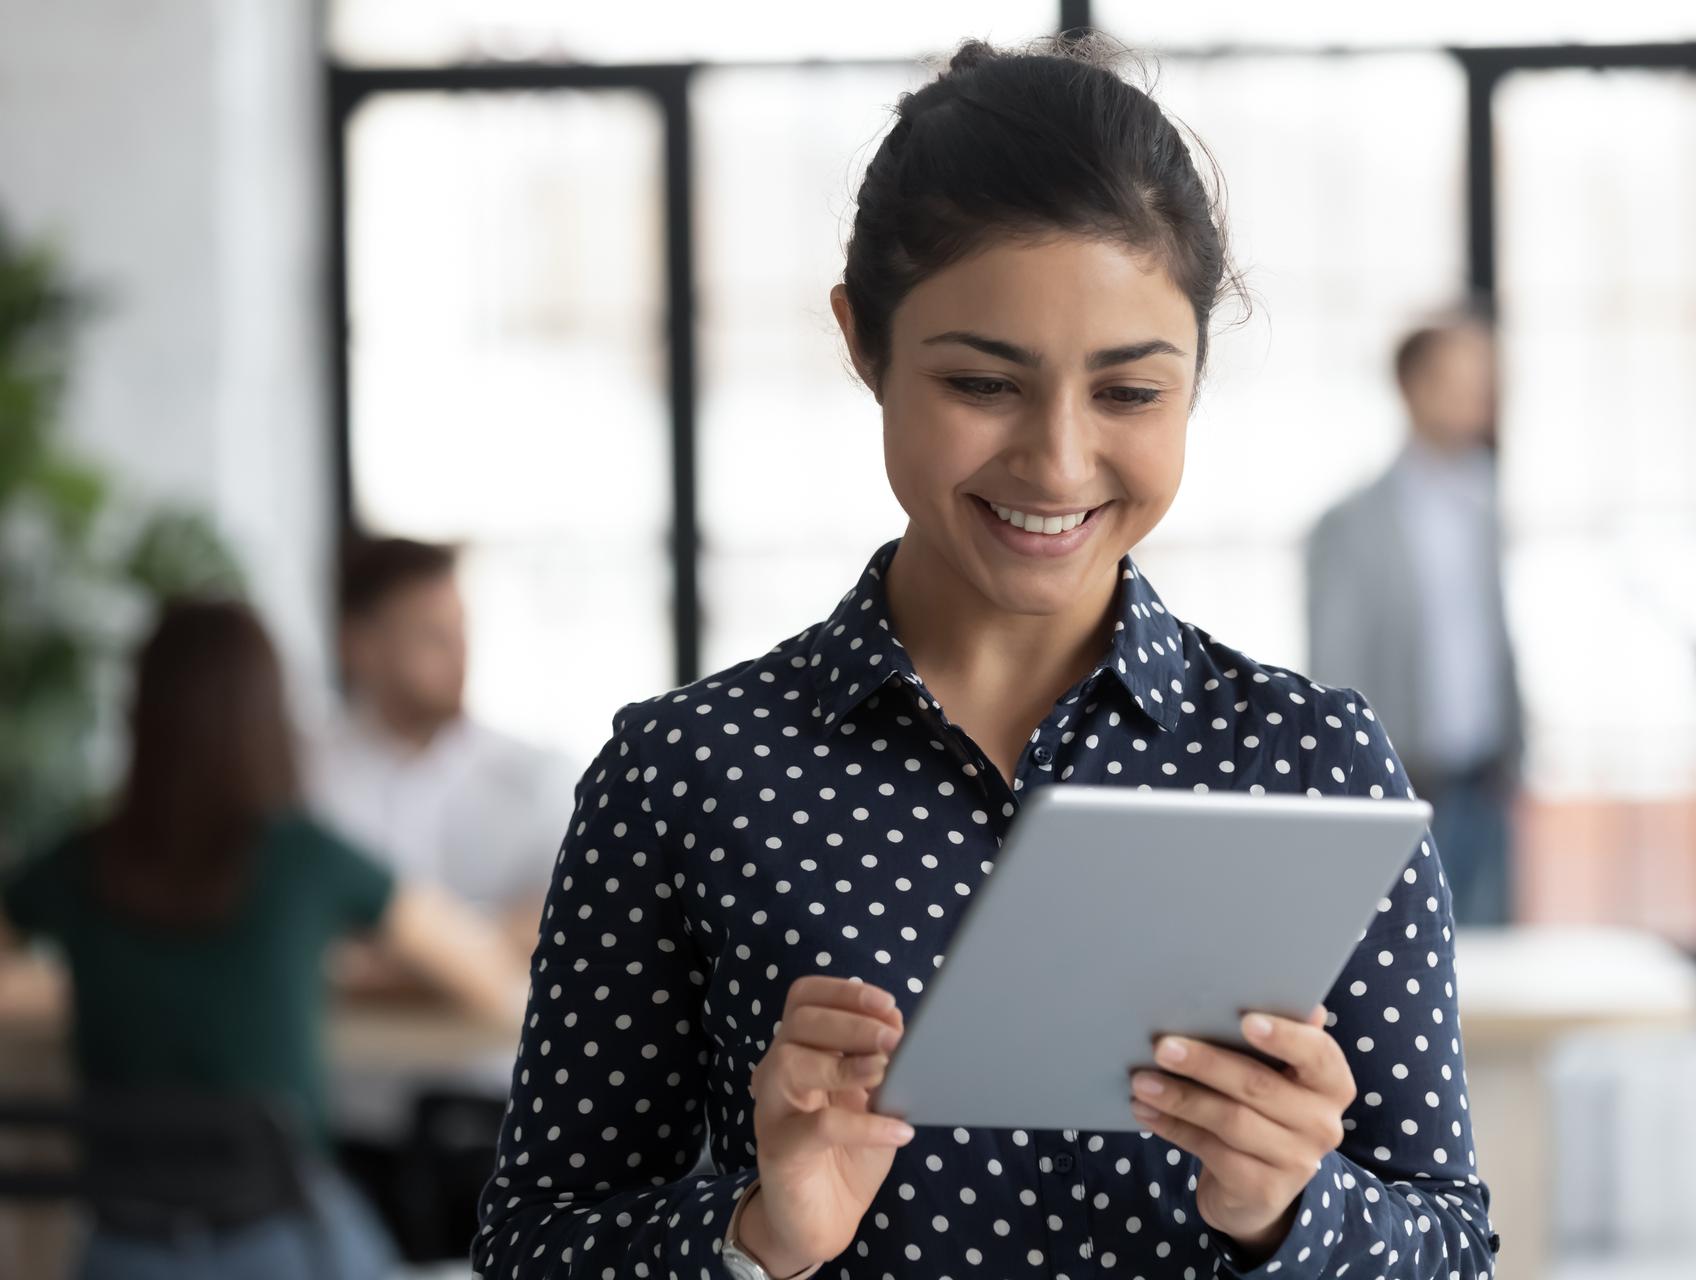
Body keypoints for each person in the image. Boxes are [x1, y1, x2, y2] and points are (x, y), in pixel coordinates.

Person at [474, 39, 1495, 1280]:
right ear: (863, 341)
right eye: (980, 382)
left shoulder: (1310, 763)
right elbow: (533, 1245)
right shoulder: (684, 774)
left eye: (1129, 395)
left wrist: (1294, 1209)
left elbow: (1452, 1244)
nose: (1058, 465)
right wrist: (758, 1235)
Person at [0, 598, 528, 1279]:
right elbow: (489, 982)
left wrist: (82, 984)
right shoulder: (303, 859)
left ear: (142, 714)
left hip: (117, 1251)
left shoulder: (78, 862)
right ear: (267, 716)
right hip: (284, 1248)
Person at [307, 536, 575, 1258]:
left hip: (495, 1124)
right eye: (430, 636)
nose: (458, 655)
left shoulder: (535, 777)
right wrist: (463, 956)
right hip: (342, 1129)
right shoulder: (303, 780)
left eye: (461, 633)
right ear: (357, 645)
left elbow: (557, 939)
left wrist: (372, 962)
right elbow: (288, 953)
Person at [1307, 315, 1522, 927]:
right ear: (1413, 386)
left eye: (1489, 382)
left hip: (1486, 777)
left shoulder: (1484, 503)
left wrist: (1517, 751)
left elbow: (1498, 640)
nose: (1484, 398)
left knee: (1493, 971)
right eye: (1465, 381)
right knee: (1406, 958)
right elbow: (1335, 665)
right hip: (1399, 781)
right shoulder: (1351, 524)